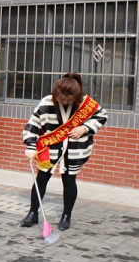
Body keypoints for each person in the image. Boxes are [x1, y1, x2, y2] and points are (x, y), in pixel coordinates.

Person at [20, 72, 108, 231]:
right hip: (50, 148)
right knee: (41, 179)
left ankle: (66, 216)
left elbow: (101, 115)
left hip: (75, 148)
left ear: (77, 96)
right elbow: (33, 125)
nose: (65, 102)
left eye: (69, 100)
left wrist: (85, 128)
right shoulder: (46, 102)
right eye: (62, 99)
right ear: (55, 94)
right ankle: (33, 213)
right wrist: (31, 146)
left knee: (69, 180)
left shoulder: (85, 103)